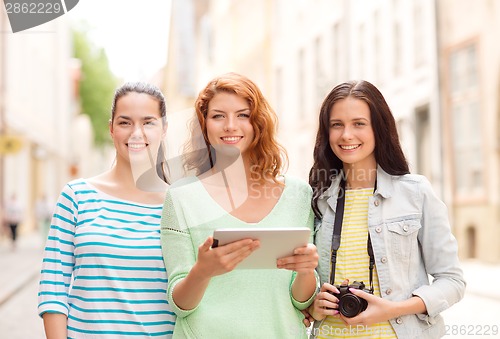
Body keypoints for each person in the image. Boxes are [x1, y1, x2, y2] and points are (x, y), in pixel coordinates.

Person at [160, 72, 319, 338]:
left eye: (243, 115)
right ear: (204, 125)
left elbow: (301, 301)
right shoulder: (181, 197)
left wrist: (306, 272)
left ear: (258, 123)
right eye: (218, 116)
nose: (230, 125)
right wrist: (202, 272)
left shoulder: (298, 195)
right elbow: (180, 305)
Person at [305, 80, 465, 338]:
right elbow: (302, 287)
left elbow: (453, 281)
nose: (347, 135)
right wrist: (314, 304)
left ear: (378, 129)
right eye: (337, 125)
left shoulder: (415, 192)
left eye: (359, 124)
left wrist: (393, 309)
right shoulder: (316, 199)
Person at [38, 82, 175, 338]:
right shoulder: (76, 196)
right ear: (111, 129)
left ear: (164, 129)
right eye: (125, 122)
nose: (136, 133)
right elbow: (52, 291)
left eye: (148, 122)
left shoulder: (178, 206)